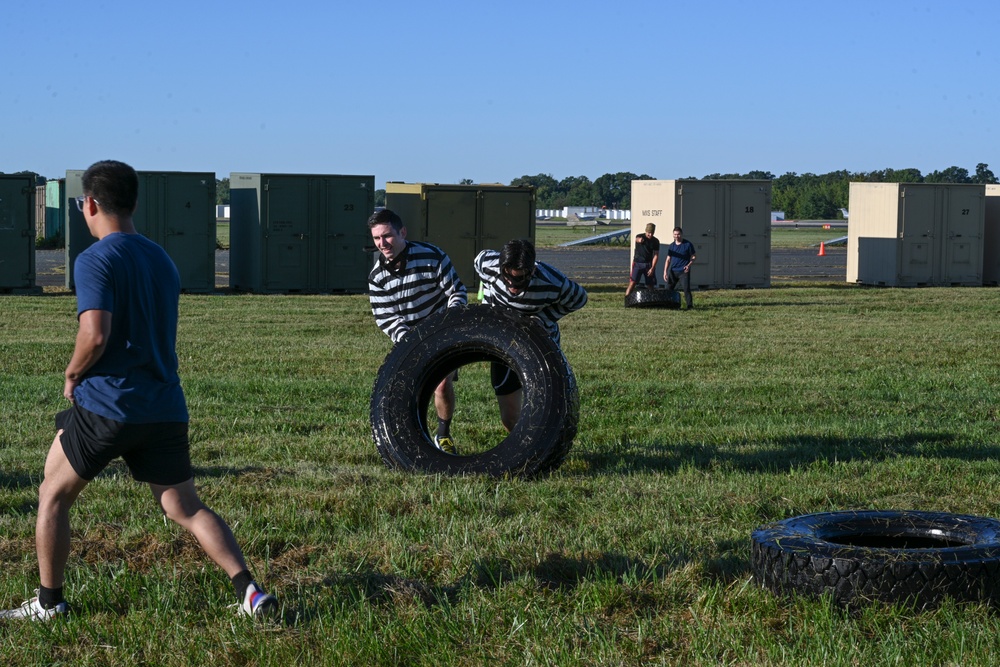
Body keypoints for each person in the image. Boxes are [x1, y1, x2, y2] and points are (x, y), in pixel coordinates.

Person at [0, 160, 277, 621]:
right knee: (186, 507)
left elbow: (96, 334)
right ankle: (249, 591)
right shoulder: (160, 258)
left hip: (109, 406)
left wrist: (72, 374)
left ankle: (49, 604)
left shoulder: (95, 258)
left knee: (51, 495)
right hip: (164, 406)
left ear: (89, 204)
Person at [368, 209, 467, 453]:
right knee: (412, 389)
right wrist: (410, 341)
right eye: (376, 238)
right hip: (409, 340)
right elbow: (385, 317)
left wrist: (446, 326)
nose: (382, 244)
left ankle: (443, 435)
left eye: (387, 236)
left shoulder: (432, 256)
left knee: (442, 385)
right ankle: (416, 437)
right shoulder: (377, 277)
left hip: (443, 331)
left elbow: (457, 293)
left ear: (402, 232)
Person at [474, 239, 588, 431]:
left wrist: (541, 320)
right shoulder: (487, 264)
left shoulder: (551, 281)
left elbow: (579, 299)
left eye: (519, 280)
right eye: (507, 278)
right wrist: (488, 301)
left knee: (543, 405)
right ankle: (523, 445)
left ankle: (547, 441)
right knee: (509, 416)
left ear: (532, 271)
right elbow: (477, 263)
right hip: (504, 345)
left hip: (540, 346)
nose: (512, 286)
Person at [664, 226, 697, 309]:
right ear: (673, 235)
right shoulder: (671, 246)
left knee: (686, 289)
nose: (676, 236)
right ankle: (668, 305)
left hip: (683, 272)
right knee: (668, 289)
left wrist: (689, 265)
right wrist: (665, 272)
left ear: (681, 234)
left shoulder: (688, 244)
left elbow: (693, 256)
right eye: (675, 234)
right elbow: (668, 259)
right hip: (673, 271)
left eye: (678, 234)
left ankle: (689, 306)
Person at [625, 223, 660, 297]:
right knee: (633, 282)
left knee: (650, 284)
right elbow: (637, 239)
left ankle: (652, 299)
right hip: (638, 263)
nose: (650, 235)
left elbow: (656, 255)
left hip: (648, 264)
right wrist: (640, 240)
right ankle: (627, 298)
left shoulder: (655, 241)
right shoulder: (640, 236)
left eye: (652, 233)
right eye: (648, 233)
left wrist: (652, 268)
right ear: (646, 231)